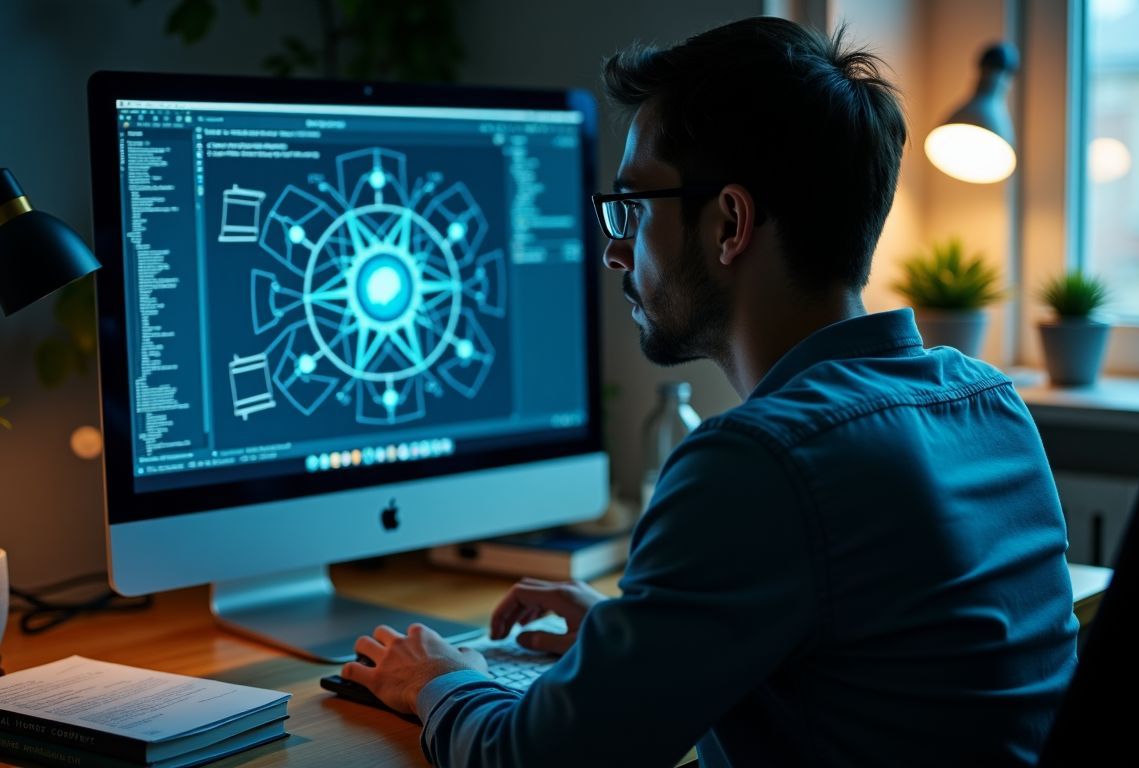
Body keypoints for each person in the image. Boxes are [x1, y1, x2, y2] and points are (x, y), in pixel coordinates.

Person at [341, 16, 1078, 767]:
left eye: (634, 206)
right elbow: (864, 666)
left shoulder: (760, 463)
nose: (615, 248)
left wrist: (439, 682)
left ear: (729, 223)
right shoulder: (989, 403)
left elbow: (533, 761)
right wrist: (641, 641)